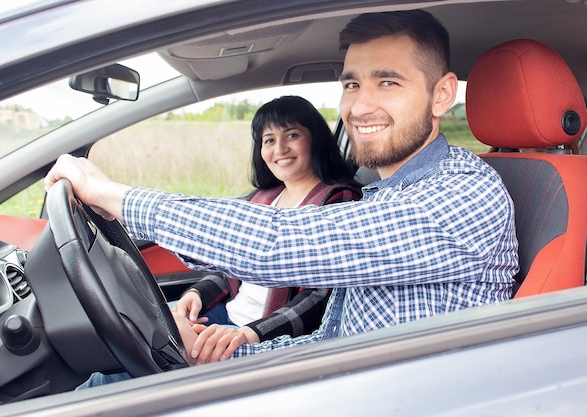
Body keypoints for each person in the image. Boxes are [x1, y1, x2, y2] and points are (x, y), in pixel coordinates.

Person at [48, 9, 518, 385]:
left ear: (442, 95)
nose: (359, 105)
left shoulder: (464, 193)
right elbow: (335, 341)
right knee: (103, 384)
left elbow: (281, 243)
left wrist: (113, 196)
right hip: (339, 380)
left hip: (381, 396)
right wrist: (231, 355)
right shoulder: (387, 193)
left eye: (388, 82)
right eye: (352, 83)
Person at [172, 95, 361, 354]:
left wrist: (251, 334)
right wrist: (195, 295)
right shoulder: (263, 199)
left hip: (267, 336)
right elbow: (230, 266)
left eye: (292, 135)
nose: (280, 148)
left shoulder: (338, 200)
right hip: (225, 317)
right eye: (269, 140)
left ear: (315, 139)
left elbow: (321, 296)